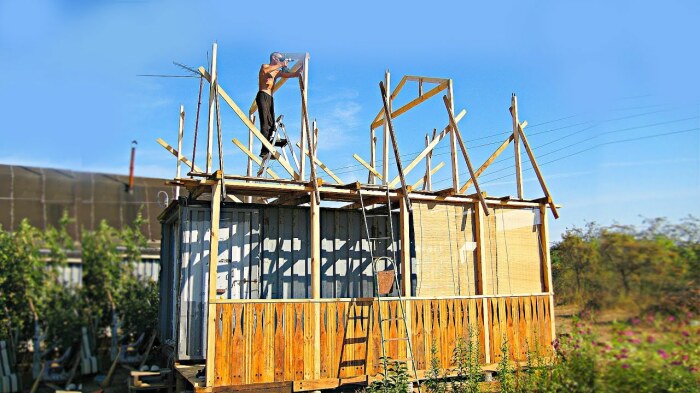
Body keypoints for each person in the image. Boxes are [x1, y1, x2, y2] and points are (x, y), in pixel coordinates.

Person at [257, 52, 302, 157]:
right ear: (273, 58)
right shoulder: (265, 66)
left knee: (272, 125)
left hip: (270, 98)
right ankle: (264, 151)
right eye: (279, 58)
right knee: (265, 124)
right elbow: (265, 71)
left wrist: (300, 70)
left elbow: (291, 75)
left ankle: (270, 146)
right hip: (263, 95)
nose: (281, 60)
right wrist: (281, 64)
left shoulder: (276, 72)